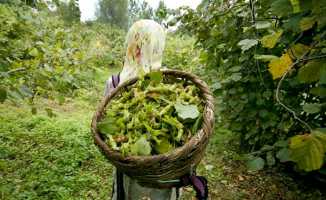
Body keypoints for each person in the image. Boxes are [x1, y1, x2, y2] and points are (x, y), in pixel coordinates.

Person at [104, 20, 179, 200]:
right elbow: (106, 125)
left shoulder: (169, 81)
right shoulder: (114, 83)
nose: (139, 49)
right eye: (136, 43)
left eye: (146, 44)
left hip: (163, 172)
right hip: (128, 169)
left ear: (156, 47)